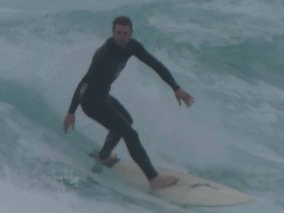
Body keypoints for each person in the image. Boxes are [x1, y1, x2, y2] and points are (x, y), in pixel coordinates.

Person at [63, 16, 194, 190]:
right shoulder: (104, 54)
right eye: (118, 33)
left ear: (131, 33)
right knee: (130, 134)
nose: (122, 37)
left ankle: (103, 157)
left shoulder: (132, 46)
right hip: (90, 102)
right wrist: (71, 112)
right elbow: (84, 83)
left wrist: (176, 88)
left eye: (125, 33)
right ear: (113, 33)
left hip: (103, 97)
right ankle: (154, 180)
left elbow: (155, 64)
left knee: (127, 122)